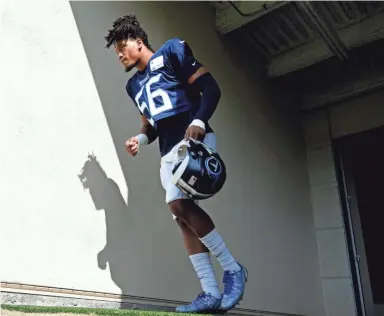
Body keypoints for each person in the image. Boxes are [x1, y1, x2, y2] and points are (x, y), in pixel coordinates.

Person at [104, 14, 248, 313]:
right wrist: (139, 140)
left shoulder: (172, 52)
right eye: (116, 50)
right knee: (181, 219)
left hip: (193, 141)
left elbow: (211, 89)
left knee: (177, 204)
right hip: (168, 153)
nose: (119, 54)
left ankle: (233, 268)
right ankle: (210, 292)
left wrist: (199, 119)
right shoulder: (133, 86)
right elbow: (152, 126)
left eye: (122, 46)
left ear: (139, 41)